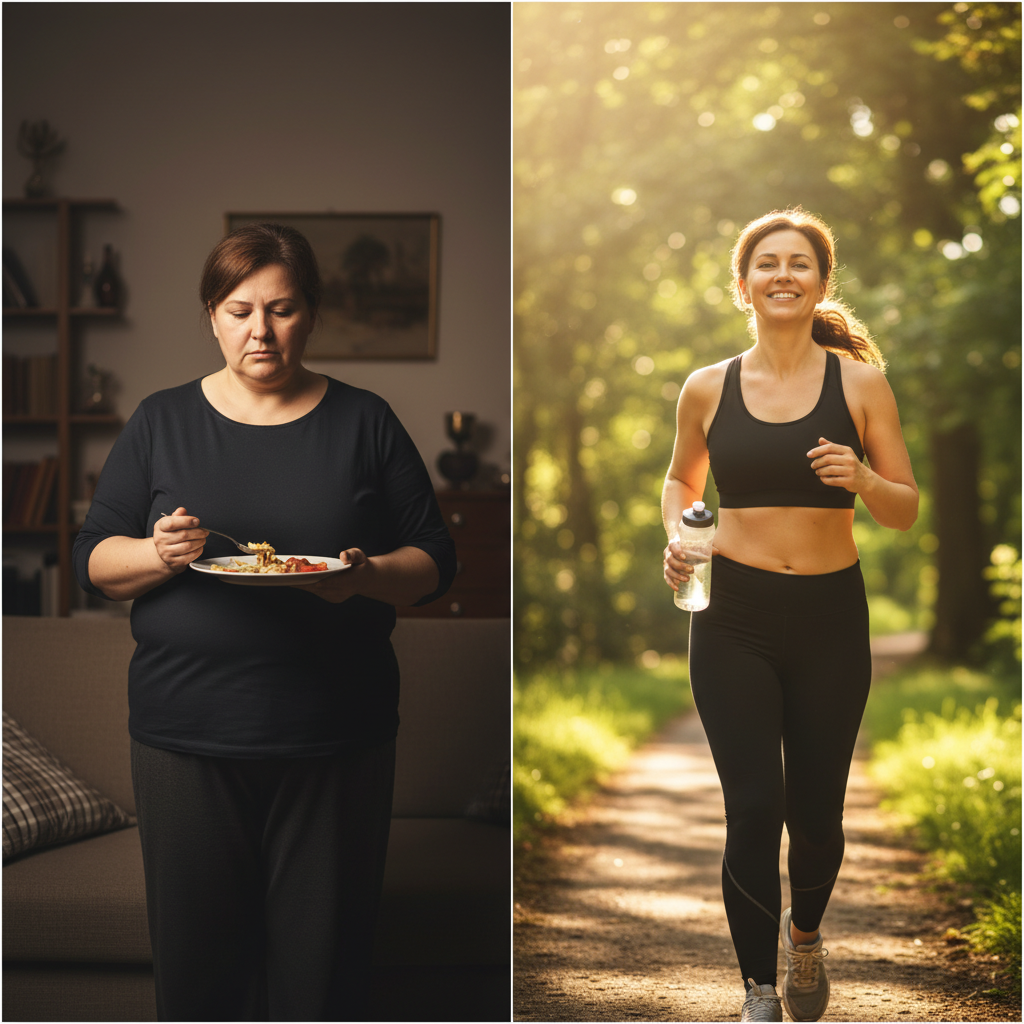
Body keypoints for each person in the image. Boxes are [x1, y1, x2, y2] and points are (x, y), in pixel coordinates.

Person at [72, 223, 456, 1022]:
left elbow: (435, 562)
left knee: (322, 978)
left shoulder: (365, 420)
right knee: (199, 975)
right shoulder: (160, 420)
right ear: (212, 314)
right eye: (240, 308)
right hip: (185, 738)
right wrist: (156, 552)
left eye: (281, 310)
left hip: (337, 739)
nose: (260, 330)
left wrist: (364, 577)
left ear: (310, 315)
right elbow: (94, 562)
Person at [661, 209, 918, 1023]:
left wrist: (863, 479)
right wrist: (681, 536)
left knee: (815, 815)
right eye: (766, 263)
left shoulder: (861, 385)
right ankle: (758, 993)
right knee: (753, 809)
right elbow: (680, 483)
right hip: (732, 615)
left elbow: (906, 509)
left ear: (821, 282)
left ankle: (804, 937)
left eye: (799, 263)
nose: (783, 274)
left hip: (829, 618)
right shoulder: (707, 387)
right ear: (744, 285)